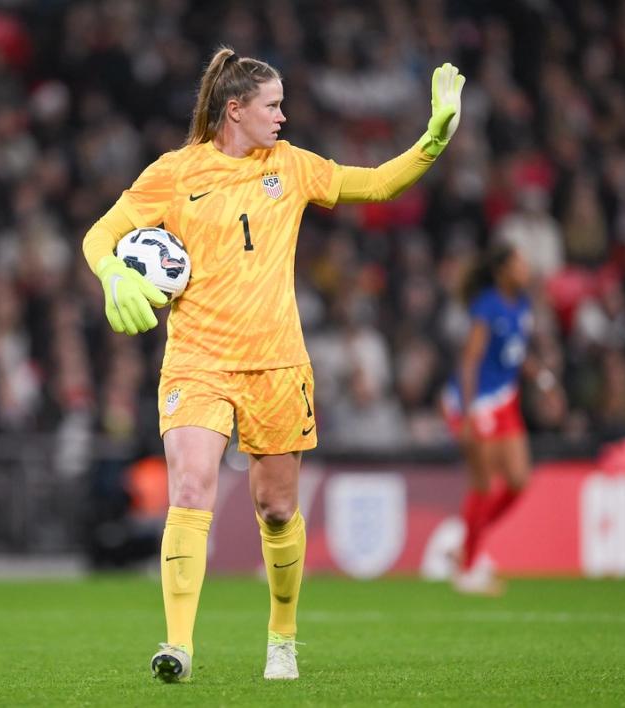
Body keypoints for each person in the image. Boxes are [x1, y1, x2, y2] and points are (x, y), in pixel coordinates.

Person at [82, 46, 465, 683]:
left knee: (278, 510)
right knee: (191, 490)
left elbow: (370, 183)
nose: (283, 117)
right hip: (197, 358)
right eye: (273, 106)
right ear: (236, 110)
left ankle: (281, 639)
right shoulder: (175, 173)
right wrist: (111, 270)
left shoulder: (289, 167)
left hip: (276, 363)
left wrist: (431, 141)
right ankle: (178, 645)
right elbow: (100, 233)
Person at [441, 243, 533, 595]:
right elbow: (470, 360)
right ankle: (467, 569)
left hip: (506, 398)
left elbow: (514, 352)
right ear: (502, 271)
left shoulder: (523, 304)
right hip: (477, 400)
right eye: (519, 262)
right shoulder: (487, 306)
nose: (526, 268)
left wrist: (543, 381)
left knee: (519, 480)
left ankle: (467, 547)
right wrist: (466, 414)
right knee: (483, 484)